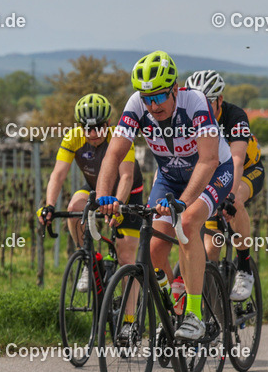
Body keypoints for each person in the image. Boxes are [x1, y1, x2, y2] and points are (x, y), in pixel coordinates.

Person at [96, 51, 233, 342]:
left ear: (174, 89)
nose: (153, 105)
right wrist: (102, 196)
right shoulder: (137, 104)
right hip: (170, 177)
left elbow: (208, 160)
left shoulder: (195, 102)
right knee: (155, 247)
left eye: (159, 97)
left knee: (187, 223)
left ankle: (195, 316)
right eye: (147, 99)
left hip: (213, 172)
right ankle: (176, 304)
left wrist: (184, 202)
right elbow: (114, 153)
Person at [39, 93, 144, 292]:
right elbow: (58, 175)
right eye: (87, 128)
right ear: (80, 126)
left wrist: (118, 206)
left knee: (126, 258)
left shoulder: (121, 137)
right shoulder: (73, 138)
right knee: (74, 207)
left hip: (128, 193)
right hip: (97, 188)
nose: (93, 133)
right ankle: (88, 259)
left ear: (108, 123)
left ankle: (129, 321)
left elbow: (126, 178)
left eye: (98, 127)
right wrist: (50, 206)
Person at [185, 70, 263, 301]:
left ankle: (244, 266)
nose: (202, 108)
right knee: (210, 250)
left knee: (236, 198)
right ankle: (211, 308)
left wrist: (227, 196)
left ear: (219, 99)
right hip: (215, 172)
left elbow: (237, 160)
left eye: (207, 103)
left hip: (248, 169)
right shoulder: (189, 119)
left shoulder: (234, 116)